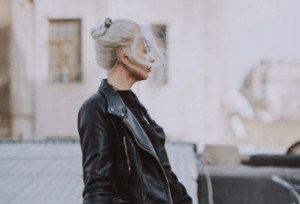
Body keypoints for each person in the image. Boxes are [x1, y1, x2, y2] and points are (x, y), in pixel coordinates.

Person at [77, 17, 193, 204]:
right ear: (125, 55)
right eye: (145, 50)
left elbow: (167, 181)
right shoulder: (97, 108)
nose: (152, 58)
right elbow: (97, 189)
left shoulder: (138, 110)